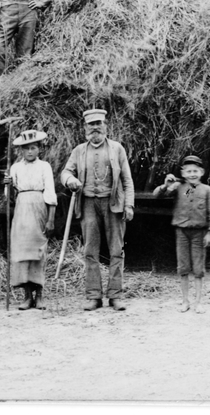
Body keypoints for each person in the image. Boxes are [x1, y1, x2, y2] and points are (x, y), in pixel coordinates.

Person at [60, 108, 135, 311]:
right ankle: (94, 296)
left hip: (113, 204)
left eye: (98, 124)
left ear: (105, 125)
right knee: (90, 251)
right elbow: (65, 172)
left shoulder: (117, 149)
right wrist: (70, 180)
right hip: (88, 205)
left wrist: (129, 204)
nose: (95, 128)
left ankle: (115, 296)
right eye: (91, 125)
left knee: (116, 250)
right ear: (85, 128)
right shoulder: (79, 151)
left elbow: (127, 180)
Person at [154, 155, 210, 314]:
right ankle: (185, 301)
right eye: (188, 171)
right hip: (181, 232)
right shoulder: (177, 187)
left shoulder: (207, 190)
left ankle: (199, 302)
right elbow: (157, 195)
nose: (192, 174)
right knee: (183, 267)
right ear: (183, 173)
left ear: (202, 172)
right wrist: (165, 185)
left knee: (198, 268)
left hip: (199, 233)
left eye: (195, 171)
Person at [5, 129, 57, 310]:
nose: (29, 151)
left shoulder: (44, 166)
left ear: (39, 149)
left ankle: (40, 295)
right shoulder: (15, 168)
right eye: (26, 148)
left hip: (38, 206)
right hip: (21, 208)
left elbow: (50, 193)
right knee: (22, 251)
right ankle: (27, 296)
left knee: (37, 250)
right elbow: (9, 198)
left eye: (33, 147)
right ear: (21, 150)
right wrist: (8, 185)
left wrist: (50, 219)